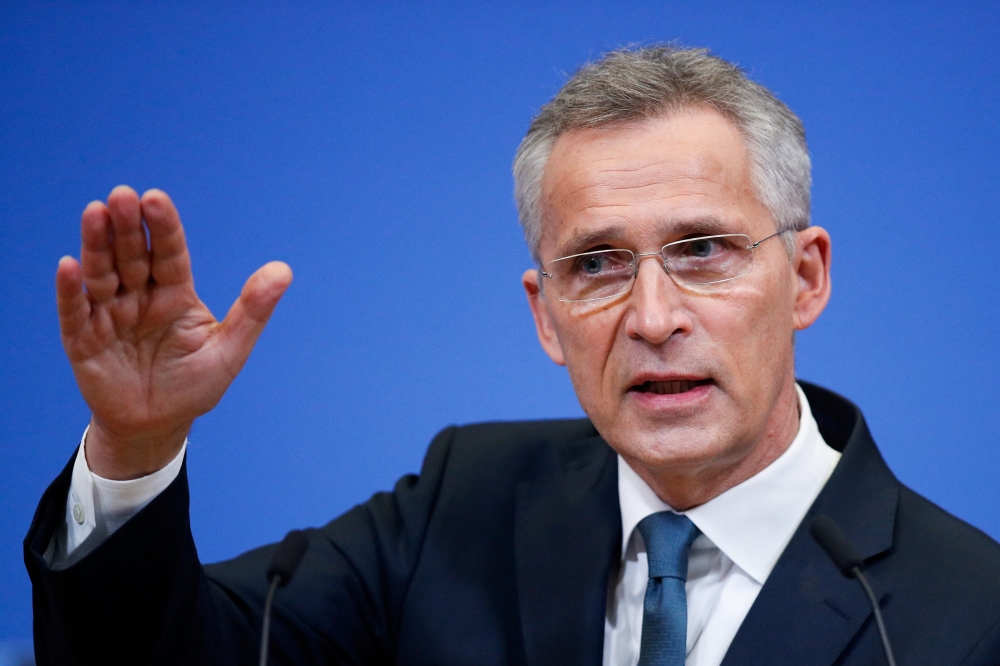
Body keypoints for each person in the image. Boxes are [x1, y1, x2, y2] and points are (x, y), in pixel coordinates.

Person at [24, 45, 1000, 665]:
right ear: (545, 315)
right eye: (596, 265)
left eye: (702, 250)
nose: (653, 316)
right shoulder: (466, 502)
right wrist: (135, 447)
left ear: (806, 278)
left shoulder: (964, 612)